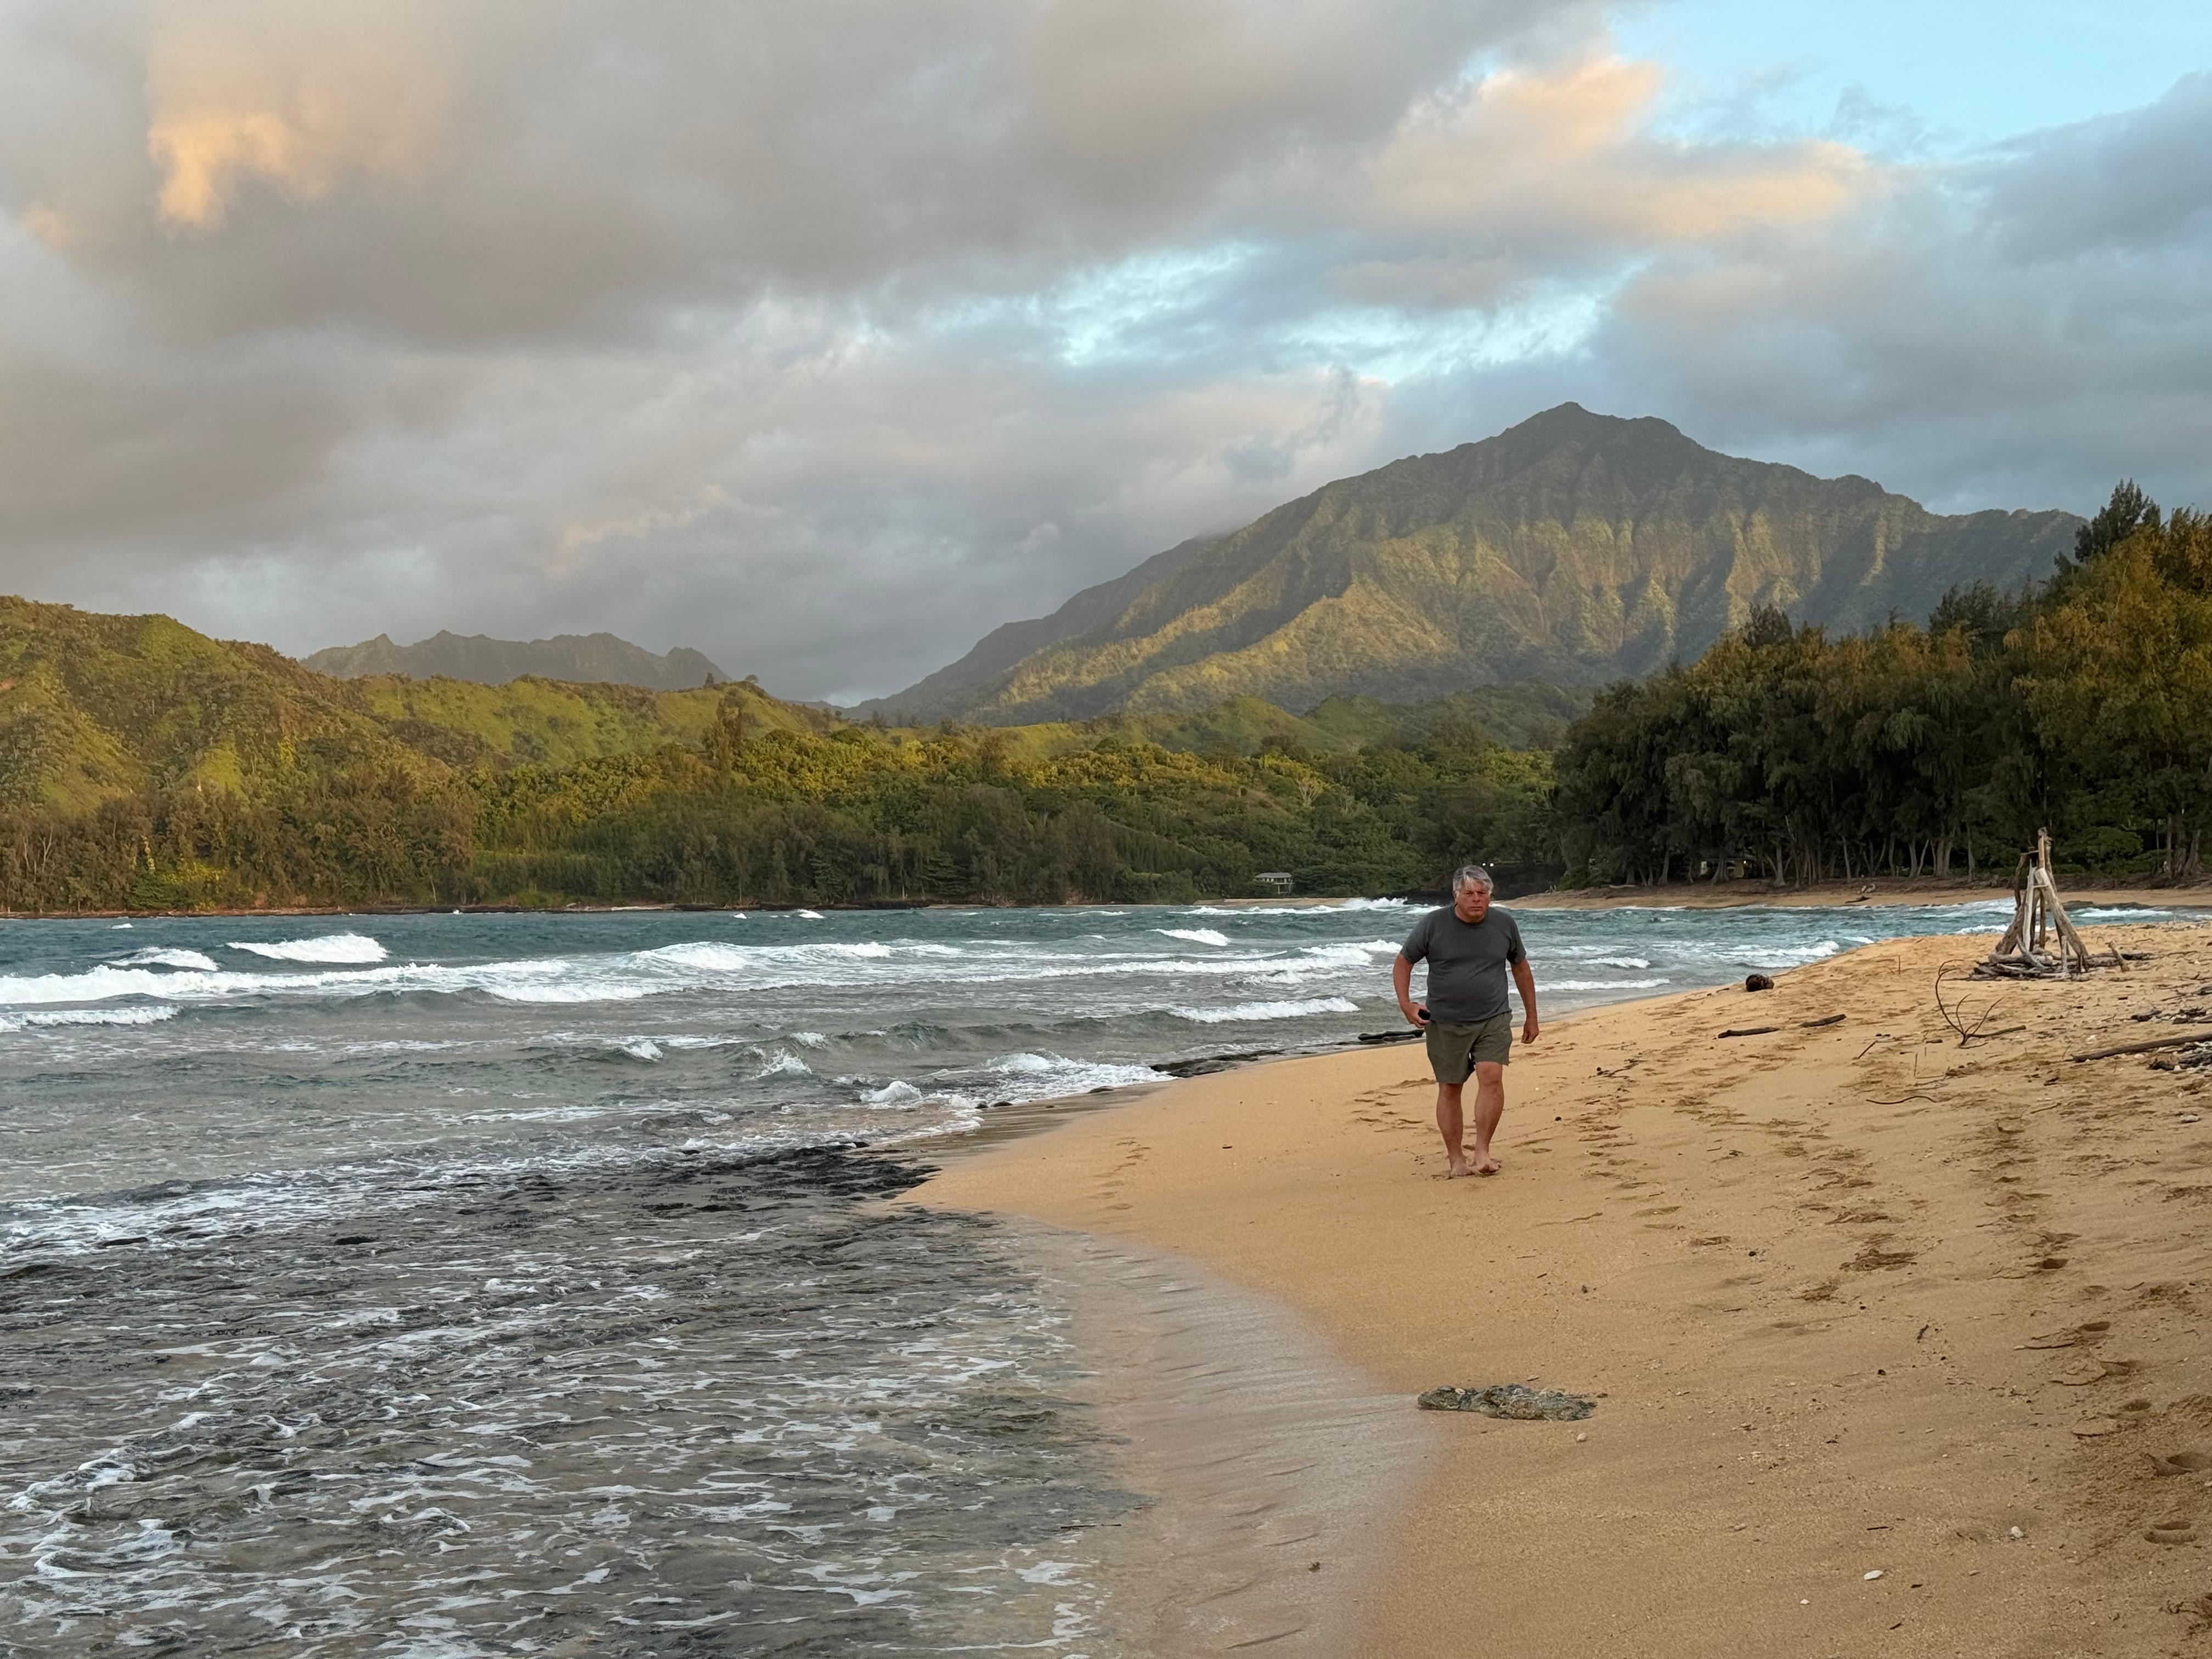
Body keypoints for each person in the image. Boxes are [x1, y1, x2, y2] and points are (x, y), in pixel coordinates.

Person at [1392, 865, 1539, 1177]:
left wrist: (1532, 1016)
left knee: (1491, 1076)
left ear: (1490, 896)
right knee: (1450, 1088)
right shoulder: (1432, 925)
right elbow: (1404, 962)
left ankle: (1483, 1152)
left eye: (1482, 894)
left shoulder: (1504, 924)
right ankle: (1456, 1159)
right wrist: (1406, 1005)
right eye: (1469, 894)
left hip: (1494, 1017)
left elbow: (1521, 968)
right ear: (1456, 895)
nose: (1477, 900)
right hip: (1446, 1021)